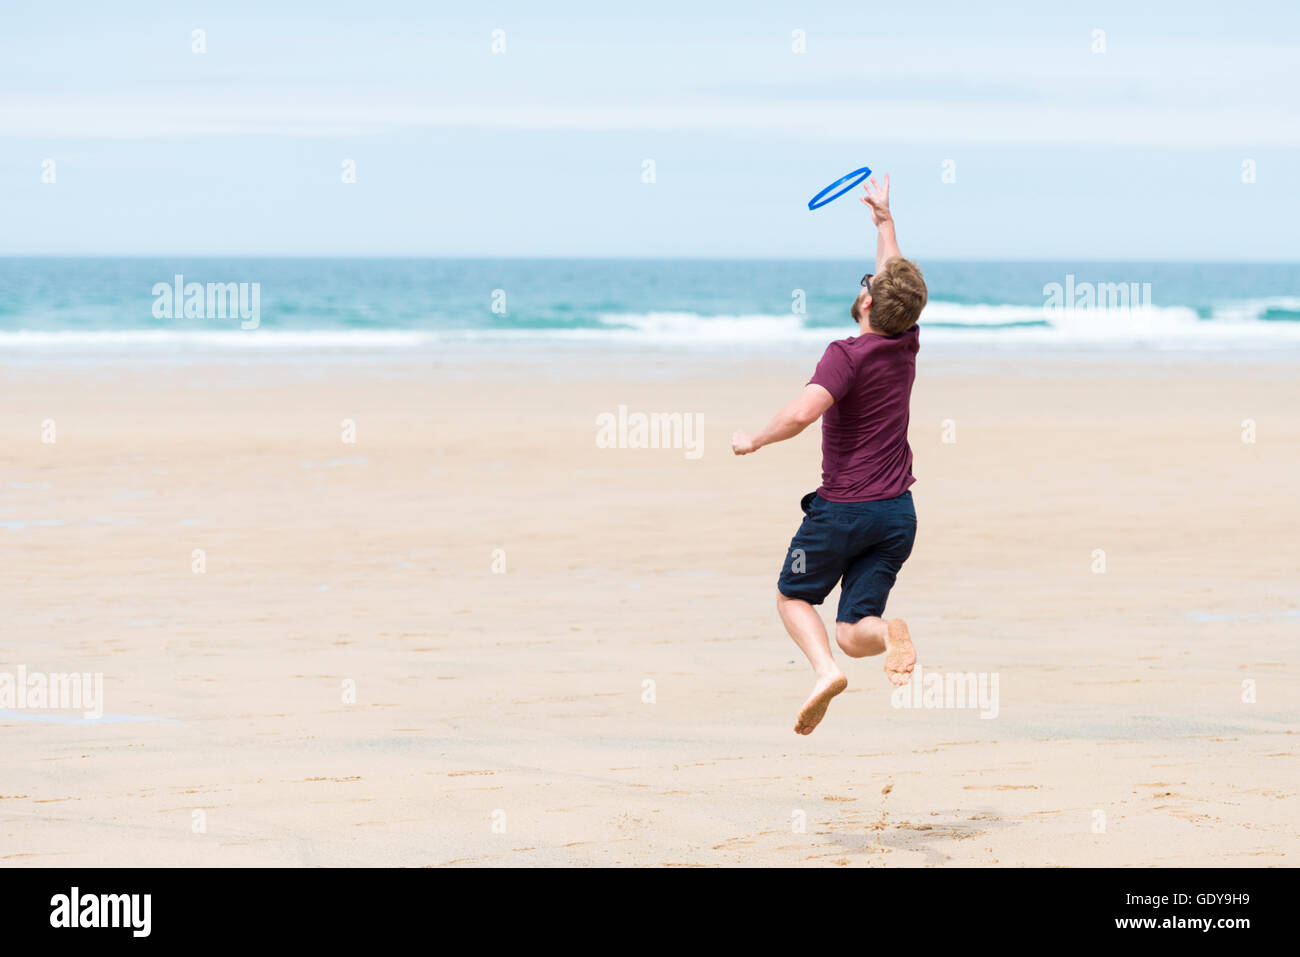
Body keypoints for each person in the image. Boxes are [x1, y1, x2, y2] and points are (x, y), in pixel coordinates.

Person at [731, 173, 929, 735]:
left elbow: (800, 414)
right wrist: (885, 220)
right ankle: (887, 633)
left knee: (793, 597)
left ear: (865, 302)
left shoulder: (847, 355)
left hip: (843, 511)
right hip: (897, 515)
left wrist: (754, 439)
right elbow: (896, 282)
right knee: (853, 628)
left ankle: (823, 674)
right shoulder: (905, 341)